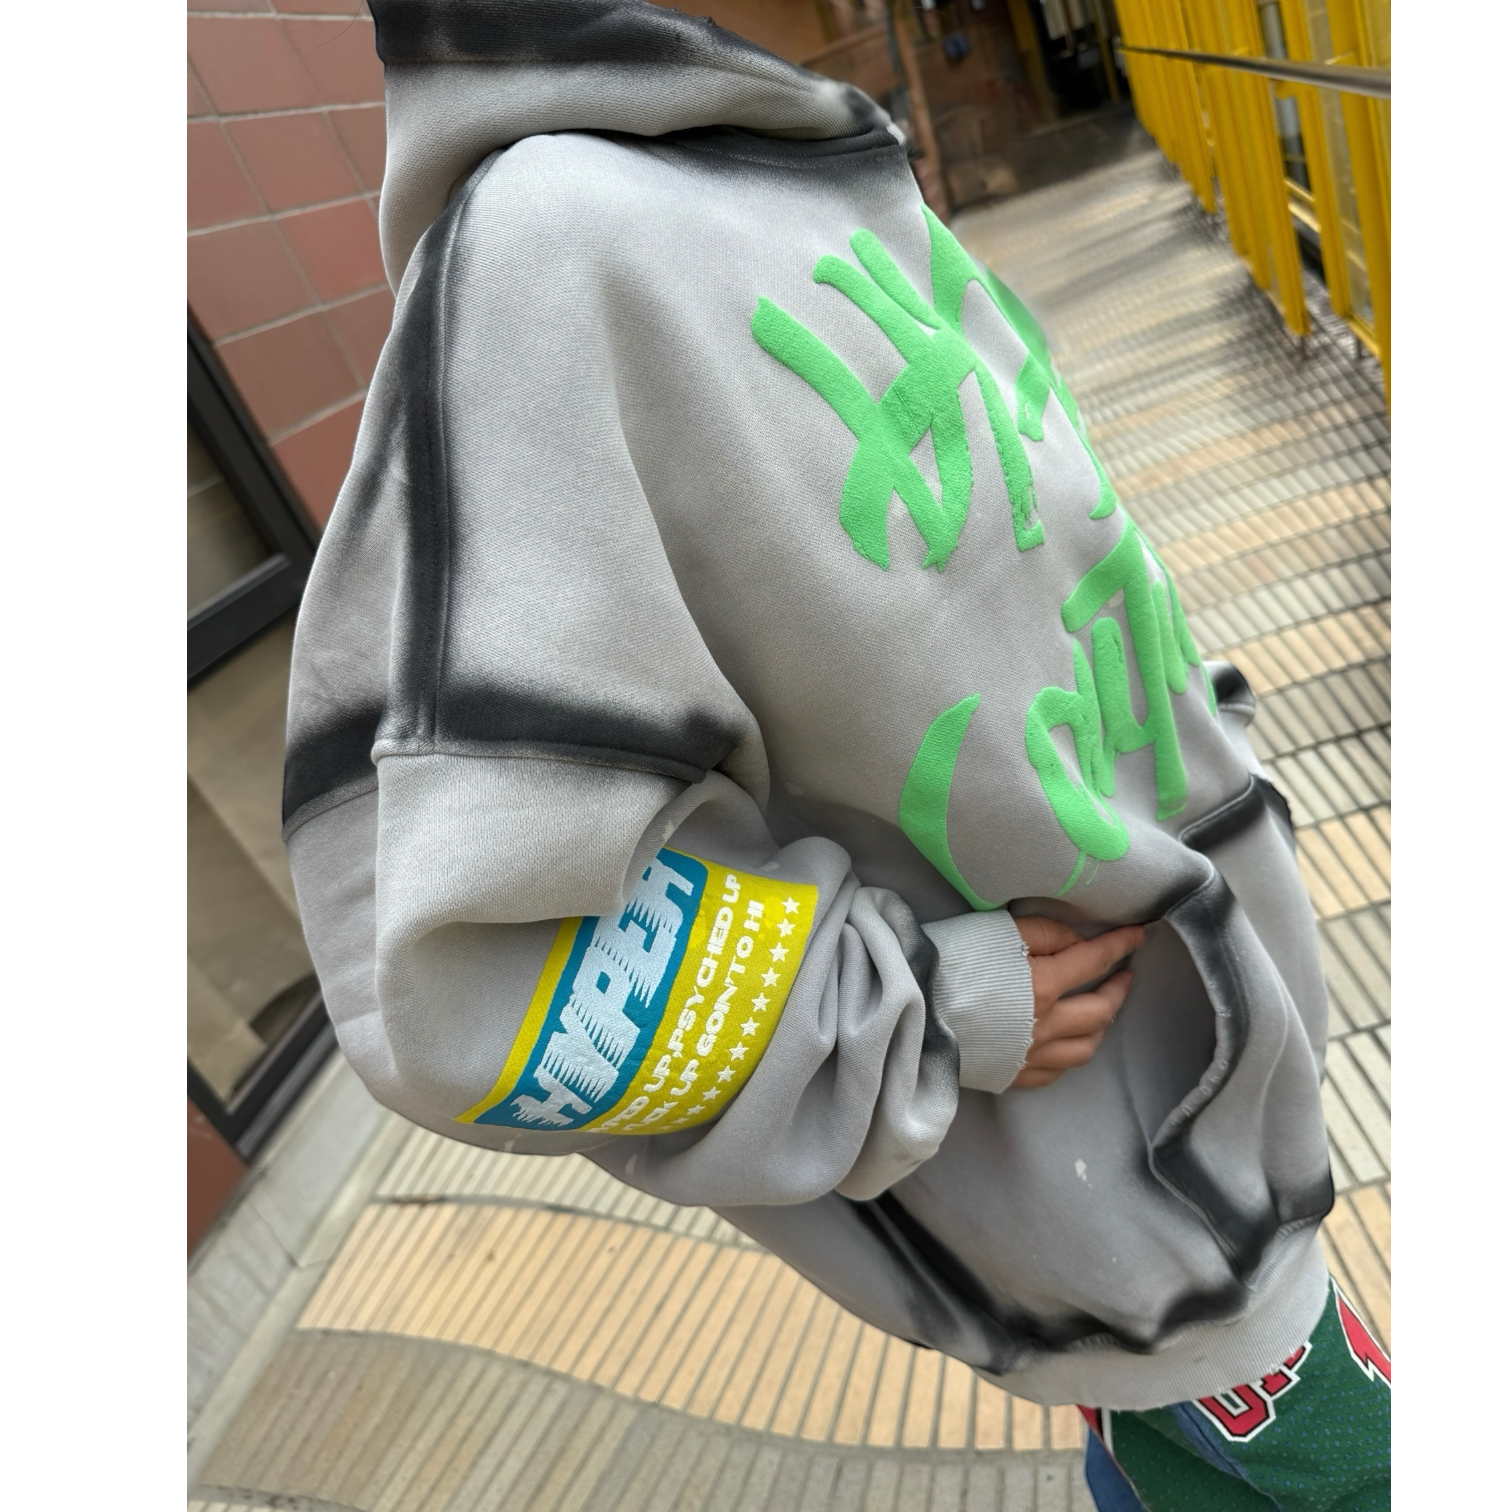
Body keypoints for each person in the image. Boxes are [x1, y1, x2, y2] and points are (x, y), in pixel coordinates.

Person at [282, 3, 1389, 1505]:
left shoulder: (810, 164)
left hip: (1196, 1157)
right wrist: (925, 1006)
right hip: (1159, 1235)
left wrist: (1202, 741)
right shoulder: (551, 254)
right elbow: (456, 967)